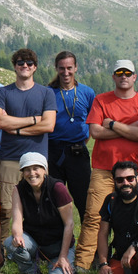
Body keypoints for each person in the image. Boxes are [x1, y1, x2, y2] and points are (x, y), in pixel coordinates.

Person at [75, 60, 138, 271]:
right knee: (93, 216)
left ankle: (133, 263)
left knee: (135, 218)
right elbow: (95, 132)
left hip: (134, 171)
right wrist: (130, 128)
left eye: (128, 73)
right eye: (119, 72)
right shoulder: (101, 100)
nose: (123, 76)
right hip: (103, 169)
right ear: (113, 76)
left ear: (134, 77)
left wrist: (111, 123)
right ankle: (82, 266)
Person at [0, 48, 57, 242]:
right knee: (4, 209)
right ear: (14, 66)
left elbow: (49, 124)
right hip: (9, 159)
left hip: (37, 159)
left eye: (29, 63)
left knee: (39, 208)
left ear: (35, 67)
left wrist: (17, 128)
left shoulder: (46, 93)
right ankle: (1, 252)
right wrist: (33, 120)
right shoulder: (3, 92)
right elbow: (1, 122)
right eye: (20, 62)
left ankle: (38, 248)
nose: (25, 66)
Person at [4, 152, 75, 274]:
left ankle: (66, 264)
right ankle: (32, 273)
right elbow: (17, 221)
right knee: (10, 243)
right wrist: (18, 236)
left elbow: (69, 224)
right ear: (22, 172)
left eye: (36, 168)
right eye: (27, 169)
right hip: (34, 240)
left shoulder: (58, 188)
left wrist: (63, 256)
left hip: (59, 245)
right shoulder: (18, 190)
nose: (32, 173)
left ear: (44, 170)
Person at [48, 51, 95, 222]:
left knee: (84, 200)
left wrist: (83, 141)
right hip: (54, 151)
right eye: (62, 68)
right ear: (56, 68)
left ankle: (89, 245)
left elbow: (93, 120)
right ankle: (59, 245)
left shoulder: (87, 92)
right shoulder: (49, 92)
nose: (66, 72)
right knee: (54, 199)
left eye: (69, 68)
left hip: (78, 152)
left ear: (76, 68)